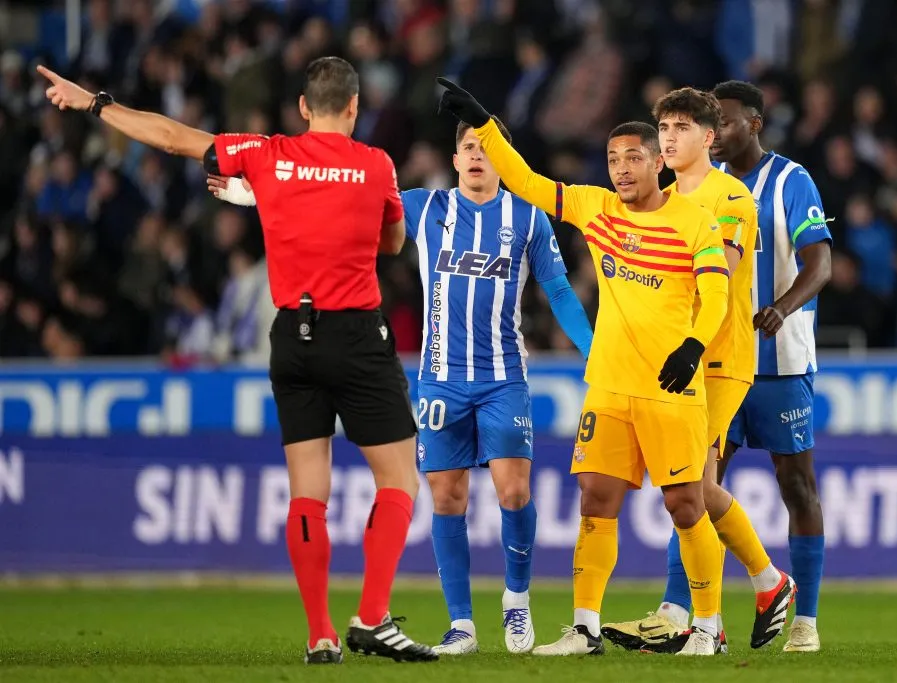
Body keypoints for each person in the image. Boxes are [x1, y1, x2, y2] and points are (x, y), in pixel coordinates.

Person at [36, 58, 438, 665]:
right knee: (399, 479)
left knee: (308, 493)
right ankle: (373, 617)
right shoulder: (376, 164)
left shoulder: (267, 155)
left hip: (292, 336)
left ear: (302, 107)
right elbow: (393, 242)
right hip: (357, 335)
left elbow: (170, 136)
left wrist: (94, 103)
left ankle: (320, 634)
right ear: (354, 107)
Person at [212, 116, 594, 656]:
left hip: (504, 376)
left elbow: (557, 290)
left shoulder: (528, 217)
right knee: (447, 497)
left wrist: (591, 348)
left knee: (514, 490)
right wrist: (253, 195)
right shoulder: (426, 206)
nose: (477, 155)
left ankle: (516, 600)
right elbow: (337, 208)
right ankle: (461, 624)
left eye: (488, 148)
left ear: (505, 159)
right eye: (468, 147)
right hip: (440, 379)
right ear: (455, 159)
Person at [438, 78, 732, 656]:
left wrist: (695, 345)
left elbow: (717, 296)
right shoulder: (596, 208)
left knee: (685, 505)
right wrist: (485, 124)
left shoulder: (696, 221)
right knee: (595, 501)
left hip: (671, 387)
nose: (621, 170)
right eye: (613, 160)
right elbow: (526, 181)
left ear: (658, 163)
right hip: (609, 387)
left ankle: (707, 626)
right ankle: (584, 627)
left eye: (633, 159)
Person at [601, 87, 794, 654]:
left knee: (693, 488)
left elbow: (717, 273)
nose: (668, 138)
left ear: (709, 138)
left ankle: (721, 611)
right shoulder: (659, 198)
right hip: (670, 363)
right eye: (664, 128)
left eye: (681, 127)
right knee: (696, 489)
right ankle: (758, 588)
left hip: (719, 359)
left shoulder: (732, 198)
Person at [711, 80, 833, 653]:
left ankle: (805, 621)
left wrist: (782, 308)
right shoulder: (700, 185)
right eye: (710, 123)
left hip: (779, 365)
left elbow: (820, 263)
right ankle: (694, 618)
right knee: (695, 487)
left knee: (797, 486)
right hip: (717, 364)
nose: (714, 133)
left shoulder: (791, 180)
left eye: (725, 122)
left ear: (755, 124)